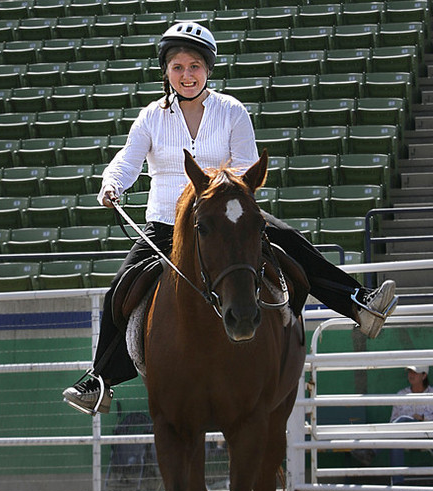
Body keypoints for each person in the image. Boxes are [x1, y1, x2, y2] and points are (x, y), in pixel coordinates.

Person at [63, 21, 397, 416]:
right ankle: (99, 381)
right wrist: (112, 184)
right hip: (167, 224)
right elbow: (128, 160)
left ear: (207, 69)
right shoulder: (151, 116)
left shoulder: (231, 111)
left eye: (194, 66)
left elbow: (244, 165)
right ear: (166, 72)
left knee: (291, 242)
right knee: (119, 289)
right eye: (177, 67)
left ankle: (359, 303)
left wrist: (219, 197)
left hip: (226, 216)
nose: (186, 75)